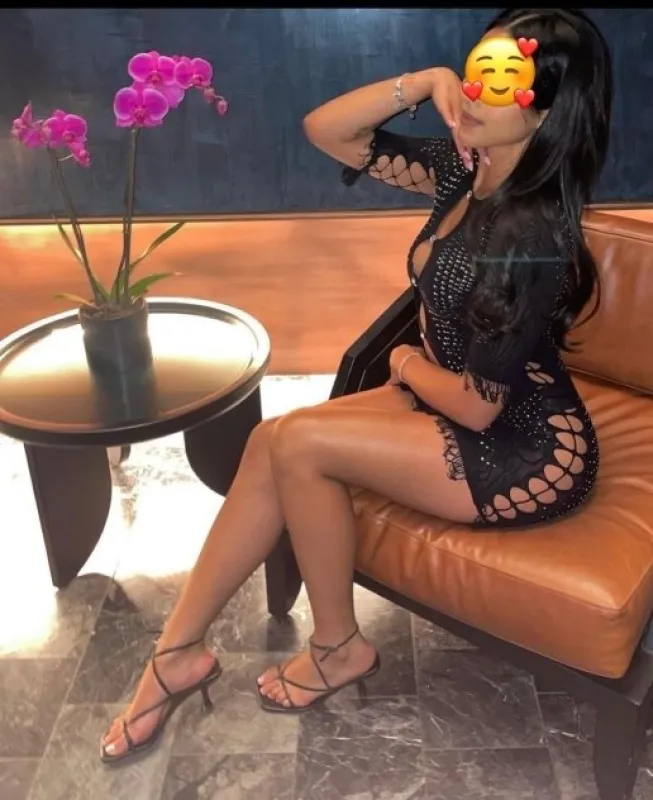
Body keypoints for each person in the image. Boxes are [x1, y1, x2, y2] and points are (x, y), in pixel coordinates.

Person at [100, 7, 613, 763]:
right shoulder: (463, 169)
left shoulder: (532, 234)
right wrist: (425, 81)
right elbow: (327, 130)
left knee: (300, 443)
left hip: (523, 449)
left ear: (544, 113)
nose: (474, 91)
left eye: (501, 81)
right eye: (476, 68)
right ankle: (177, 652)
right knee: (272, 439)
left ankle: (337, 648)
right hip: (455, 401)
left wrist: (402, 364)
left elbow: (479, 407)